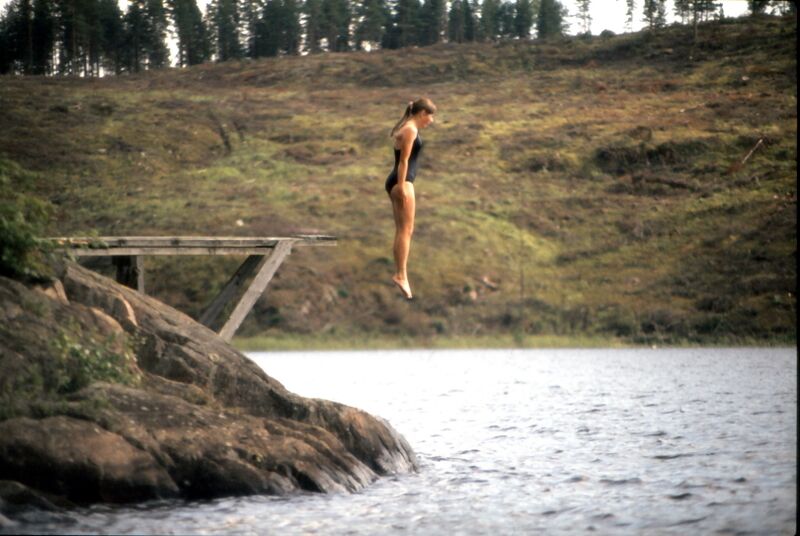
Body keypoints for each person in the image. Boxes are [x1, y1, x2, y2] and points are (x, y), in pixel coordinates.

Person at [385, 98, 436, 300]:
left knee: (403, 230)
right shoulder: (410, 130)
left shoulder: (408, 127)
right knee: (406, 230)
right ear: (422, 113)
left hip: (400, 181)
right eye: (430, 116)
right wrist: (401, 187)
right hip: (403, 182)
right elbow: (404, 161)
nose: (431, 120)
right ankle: (401, 274)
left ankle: (401, 273)